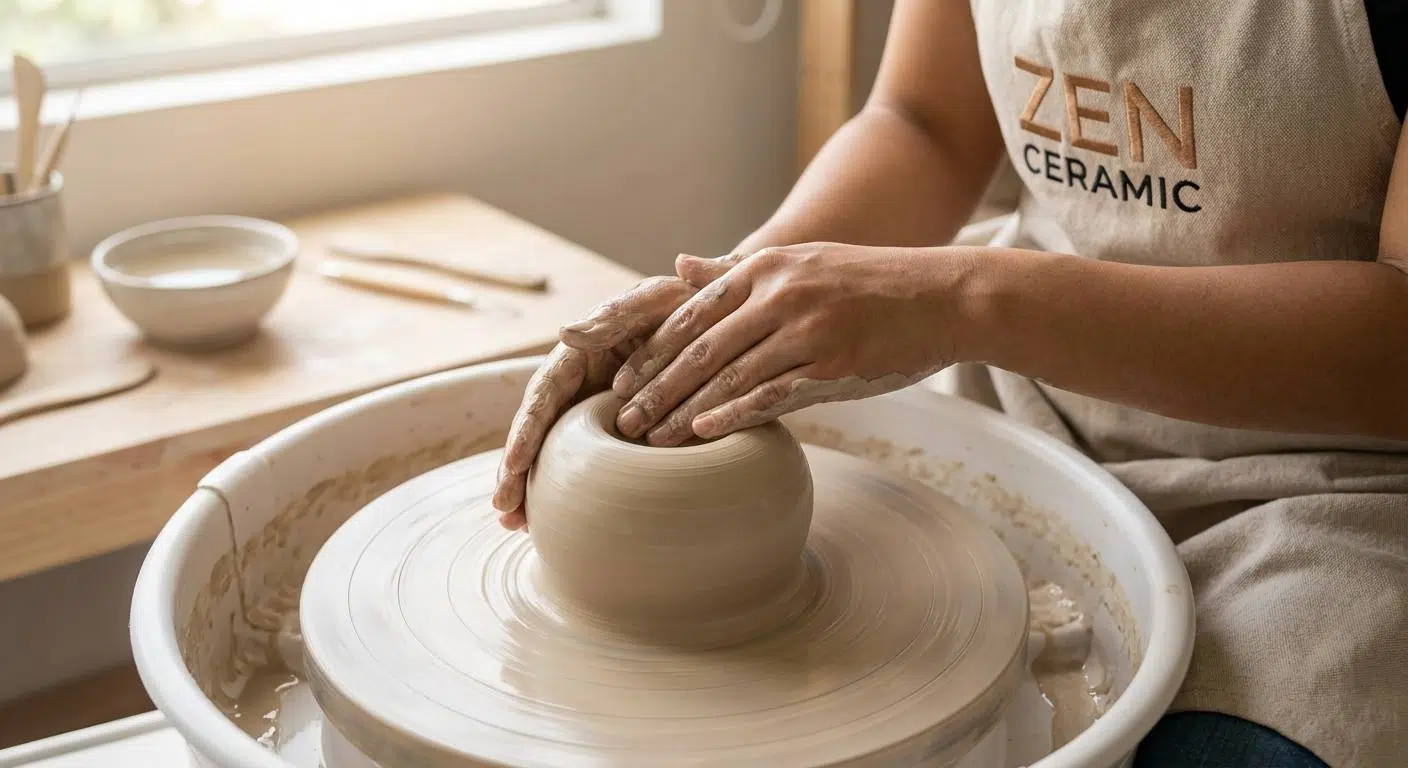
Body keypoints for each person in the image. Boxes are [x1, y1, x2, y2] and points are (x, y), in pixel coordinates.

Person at [493, 1, 1408, 765]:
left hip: (1326, 487)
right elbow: (925, 124)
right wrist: (734, 303)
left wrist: (960, 299)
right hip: (1015, 396)